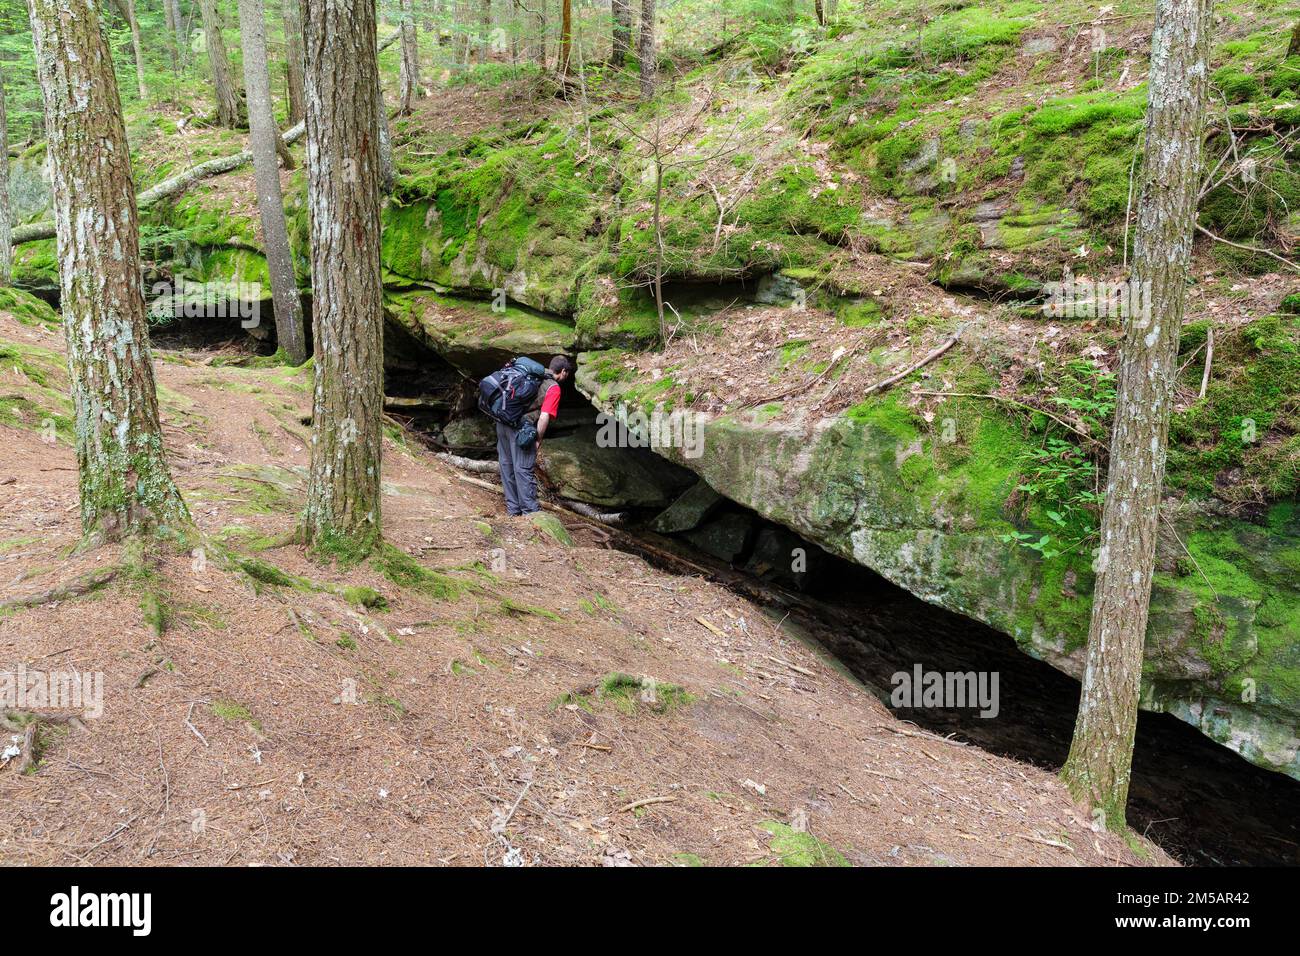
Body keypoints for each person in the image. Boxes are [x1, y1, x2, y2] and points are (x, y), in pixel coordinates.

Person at [496, 355, 573, 516]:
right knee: (523, 468)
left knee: (507, 465)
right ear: (563, 371)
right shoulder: (553, 387)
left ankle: (513, 510)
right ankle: (531, 514)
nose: (566, 376)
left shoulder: (527, 372)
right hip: (521, 428)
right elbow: (544, 416)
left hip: (502, 422)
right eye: (567, 373)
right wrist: (538, 439)